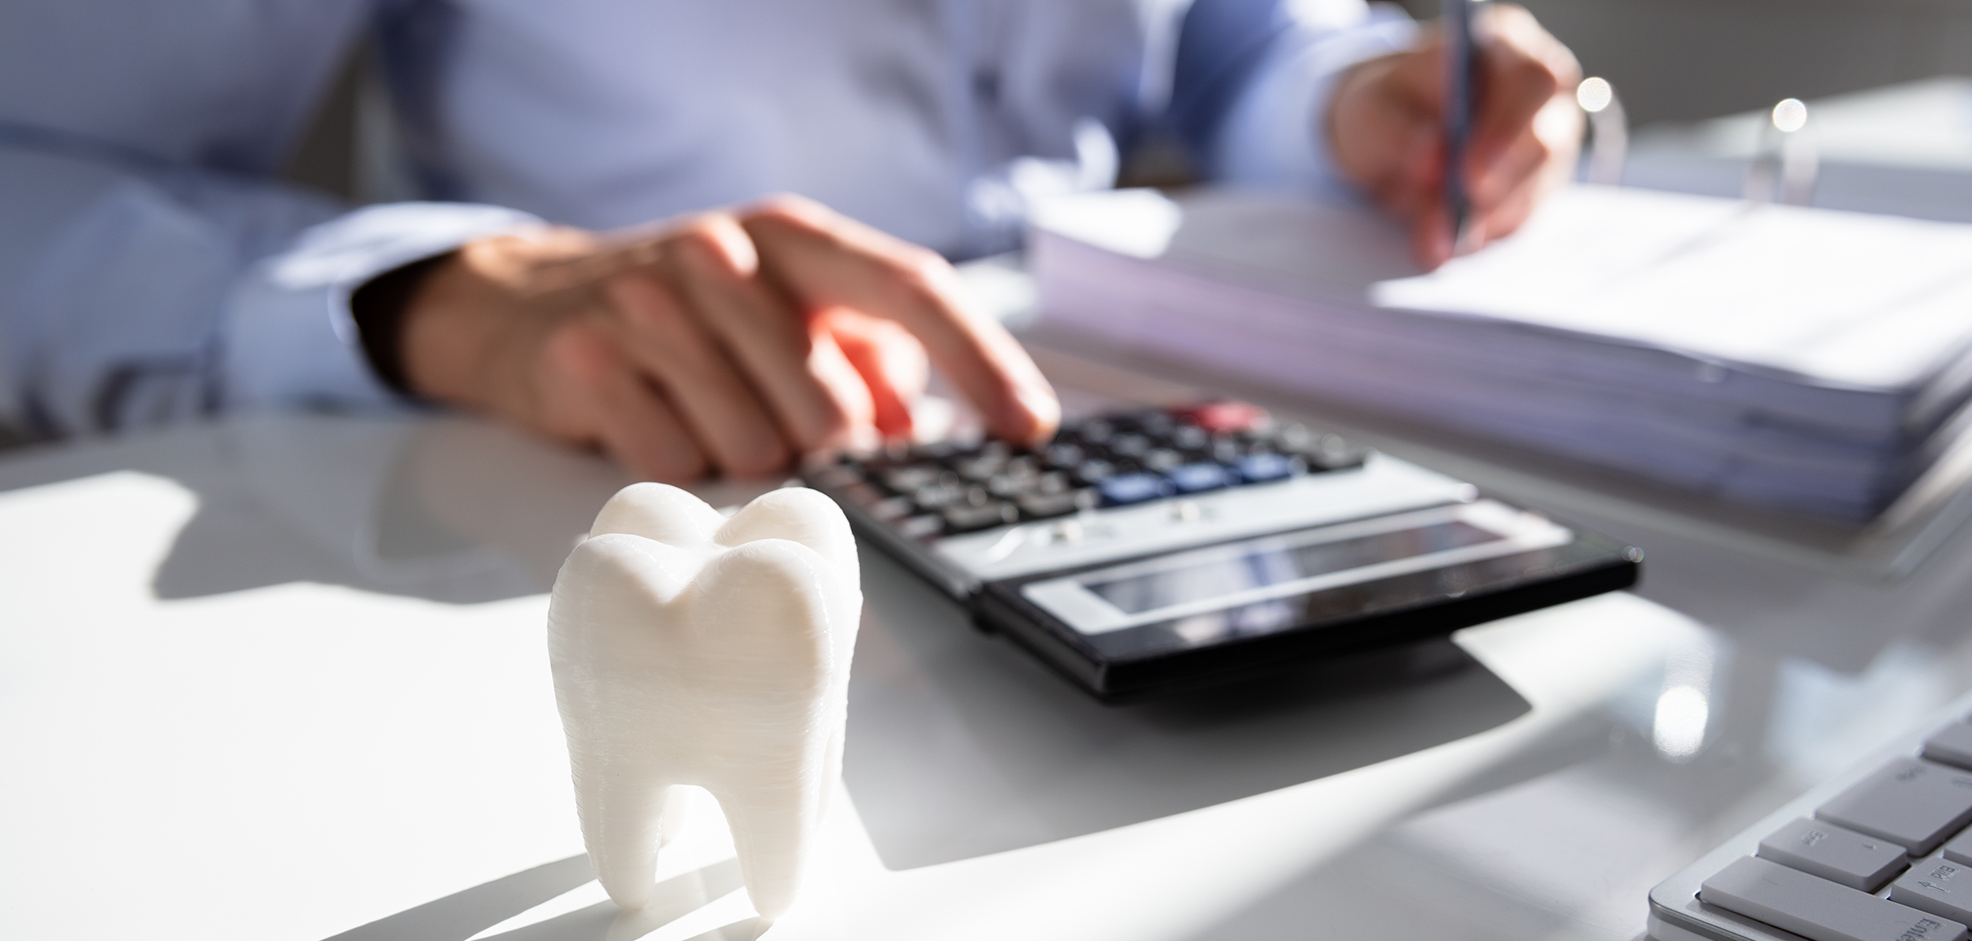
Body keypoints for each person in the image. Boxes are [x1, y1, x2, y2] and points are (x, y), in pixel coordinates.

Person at [0, 0, 1582, 481]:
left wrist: (1349, 100)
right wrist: (435, 297)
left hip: (1116, 437)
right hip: (619, 473)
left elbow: (1221, 45)